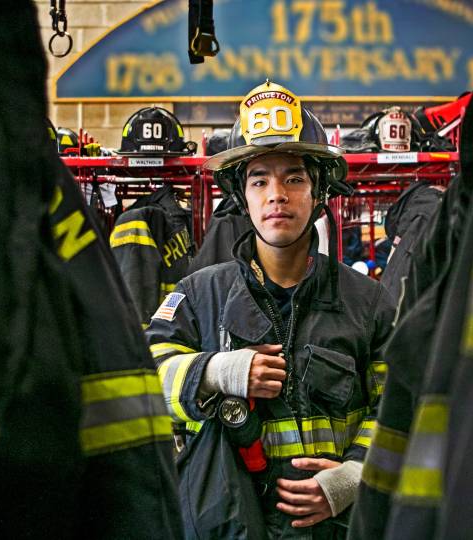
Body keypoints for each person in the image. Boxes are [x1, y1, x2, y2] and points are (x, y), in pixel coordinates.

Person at [145, 81, 396, 539]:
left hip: (335, 527)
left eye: (294, 178)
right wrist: (219, 372)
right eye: (259, 180)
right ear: (242, 197)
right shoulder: (200, 295)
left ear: (318, 191)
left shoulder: (368, 302)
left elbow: (400, 404)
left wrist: (354, 477)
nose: (276, 194)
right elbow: (143, 379)